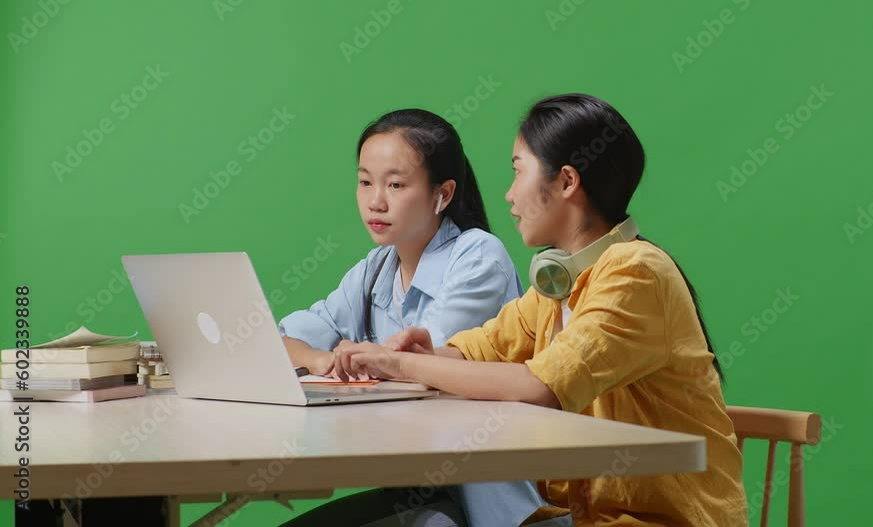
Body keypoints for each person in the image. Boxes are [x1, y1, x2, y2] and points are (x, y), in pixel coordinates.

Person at [331, 94, 750, 526]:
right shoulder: (559, 283)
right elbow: (483, 347)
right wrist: (427, 353)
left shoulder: (635, 272)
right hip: (580, 517)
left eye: (518, 171)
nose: (509, 195)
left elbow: (538, 385)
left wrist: (400, 365)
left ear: (566, 182)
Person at [278, 108, 550, 525]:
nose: (376, 200)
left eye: (396, 184)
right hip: (417, 485)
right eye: (365, 181)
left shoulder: (477, 256)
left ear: (442, 194)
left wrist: (362, 358)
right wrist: (321, 359)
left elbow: (421, 365)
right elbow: (281, 340)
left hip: (481, 494)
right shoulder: (375, 268)